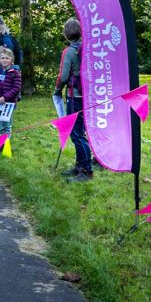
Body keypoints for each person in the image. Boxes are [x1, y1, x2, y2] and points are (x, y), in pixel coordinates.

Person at [57, 18, 93, 181]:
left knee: (77, 134)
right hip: (88, 95)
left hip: (74, 95)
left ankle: (85, 170)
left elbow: (64, 76)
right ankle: (80, 166)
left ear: (66, 34)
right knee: (80, 132)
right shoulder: (88, 47)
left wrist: (57, 89)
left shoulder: (69, 51)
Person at [0, 46, 21, 137]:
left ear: (11, 59)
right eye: (2, 58)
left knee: (7, 125)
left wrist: (5, 97)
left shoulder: (15, 73)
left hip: (9, 104)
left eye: (7, 58)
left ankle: (6, 144)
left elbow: (16, 88)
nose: (5, 60)